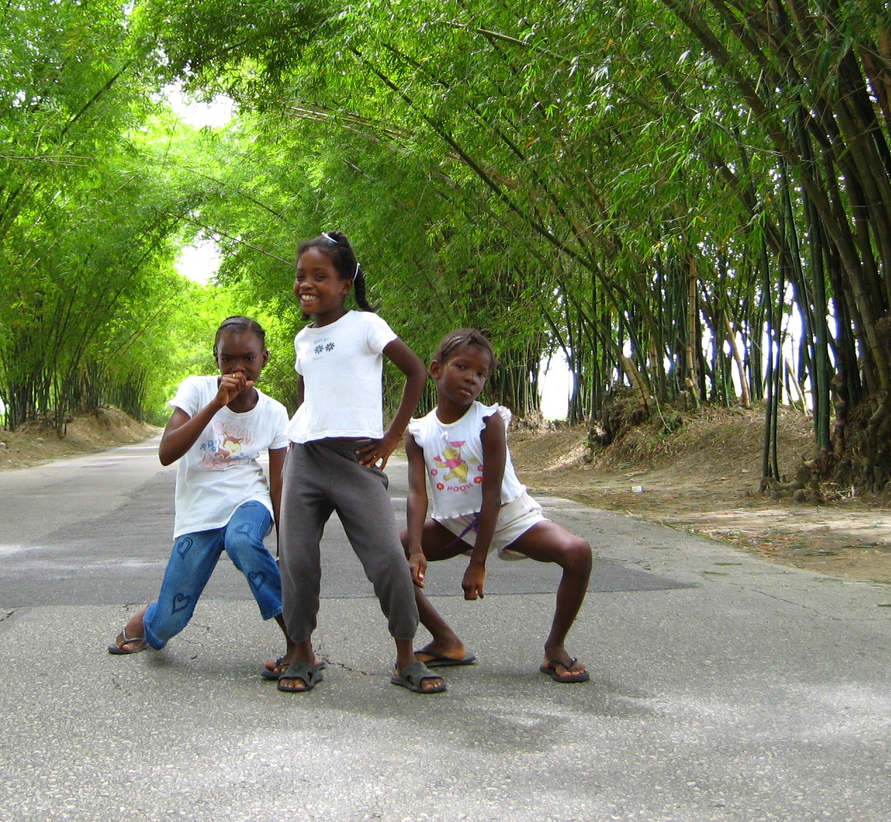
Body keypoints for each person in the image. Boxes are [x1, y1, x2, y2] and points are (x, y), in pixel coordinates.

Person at [274, 231, 443, 694]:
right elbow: (310, 397)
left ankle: (406, 657)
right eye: (300, 276)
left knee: (388, 558)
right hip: (305, 458)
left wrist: (390, 439)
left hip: (357, 458)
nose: (306, 284)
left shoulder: (367, 324)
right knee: (297, 559)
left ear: (345, 283)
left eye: (319, 276)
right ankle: (302, 652)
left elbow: (417, 371)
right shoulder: (301, 339)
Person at [403, 328, 594, 683]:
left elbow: (490, 496)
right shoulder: (418, 431)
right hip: (455, 523)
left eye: (481, 374)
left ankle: (555, 649)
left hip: (508, 516)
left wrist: (478, 564)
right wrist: (415, 548)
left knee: (578, 552)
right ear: (435, 369)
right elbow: (417, 494)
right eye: (462, 367)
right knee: (387, 553)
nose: (471, 379)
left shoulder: (489, 421)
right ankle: (446, 641)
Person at [109, 316, 292, 671]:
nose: (238, 368)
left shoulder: (274, 412)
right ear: (217, 359)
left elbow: (279, 483)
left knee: (243, 541)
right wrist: (216, 404)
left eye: (249, 359)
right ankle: (150, 616)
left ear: (265, 358)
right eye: (228, 359)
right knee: (168, 623)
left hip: (248, 501)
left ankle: (299, 644)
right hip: (199, 513)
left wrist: (285, 545)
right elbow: (167, 453)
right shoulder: (196, 390)